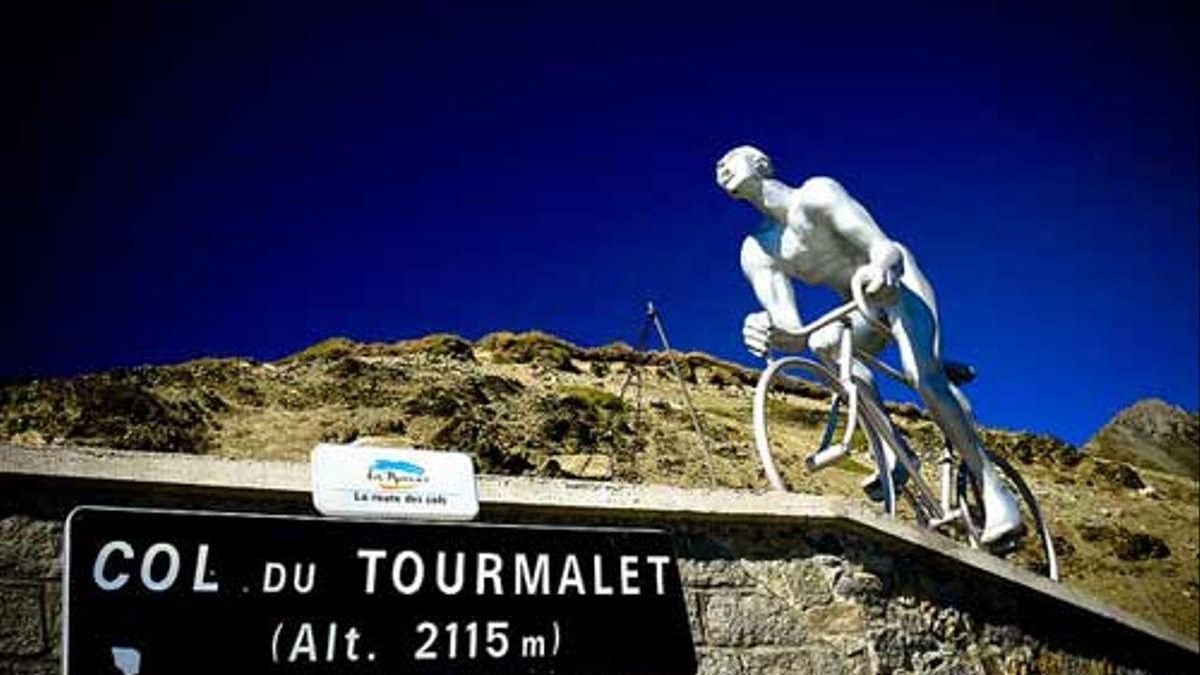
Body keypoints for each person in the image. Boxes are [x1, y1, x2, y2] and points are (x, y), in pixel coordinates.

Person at [717, 145, 1021, 545]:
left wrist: (881, 267)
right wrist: (765, 328)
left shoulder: (817, 194)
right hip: (858, 304)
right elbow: (793, 330)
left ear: (761, 164)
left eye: (729, 160)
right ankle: (892, 451)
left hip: (895, 281)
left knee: (921, 378)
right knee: (825, 340)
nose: (720, 169)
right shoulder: (757, 249)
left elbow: (882, 245)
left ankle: (994, 490)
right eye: (717, 168)